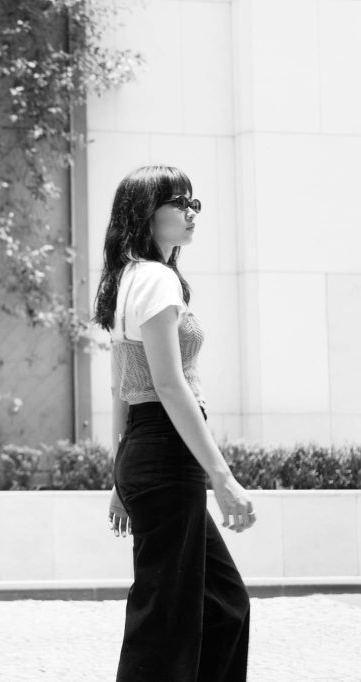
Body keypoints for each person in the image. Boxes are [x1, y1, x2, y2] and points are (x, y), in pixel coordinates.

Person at [92, 165, 256, 682]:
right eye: (178, 202)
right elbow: (167, 385)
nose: (190, 213)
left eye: (193, 203)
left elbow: (122, 384)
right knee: (166, 620)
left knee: (223, 605)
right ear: (146, 213)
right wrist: (223, 476)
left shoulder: (127, 279)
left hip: (149, 451)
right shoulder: (156, 279)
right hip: (166, 451)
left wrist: (122, 475)